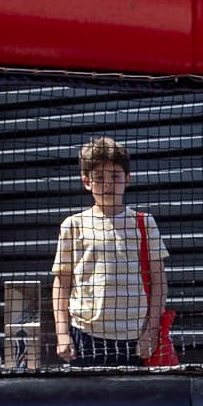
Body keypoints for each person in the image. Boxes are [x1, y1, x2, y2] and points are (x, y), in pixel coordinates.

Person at [52, 137, 169, 368]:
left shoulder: (144, 223)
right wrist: (62, 334)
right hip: (85, 335)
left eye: (114, 176)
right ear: (86, 182)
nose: (107, 185)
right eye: (99, 178)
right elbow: (62, 283)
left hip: (134, 336)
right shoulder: (73, 225)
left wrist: (151, 331)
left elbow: (159, 281)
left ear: (127, 179)